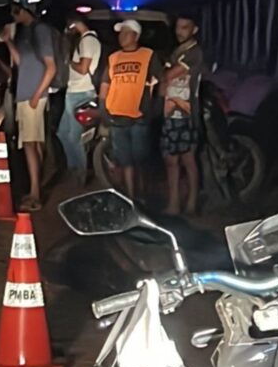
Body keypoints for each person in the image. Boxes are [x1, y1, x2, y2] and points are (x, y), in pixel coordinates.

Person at [3, 0, 57, 211]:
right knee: (31, 142)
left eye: (16, 10)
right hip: (25, 93)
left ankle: (35, 193)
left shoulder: (41, 31)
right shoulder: (25, 33)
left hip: (32, 96)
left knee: (29, 143)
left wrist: (36, 95)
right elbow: (20, 62)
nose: (13, 14)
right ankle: (36, 188)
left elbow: (51, 67)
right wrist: (8, 42)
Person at [101, 19, 161, 201]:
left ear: (136, 36)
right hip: (117, 116)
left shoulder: (148, 55)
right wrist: (103, 107)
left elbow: (161, 81)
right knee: (126, 161)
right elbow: (105, 83)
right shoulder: (113, 58)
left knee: (140, 160)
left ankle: (144, 196)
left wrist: (156, 106)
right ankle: (131, 198)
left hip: (139, 116)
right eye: (120, 33)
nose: (121, 37)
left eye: (126, 33)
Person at [158, 12, 207, 215]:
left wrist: (162, 78)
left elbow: (168, 76)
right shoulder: (179, 51)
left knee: (181, 160)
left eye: (185, 27)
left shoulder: (193, 52)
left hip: (183, 114)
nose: (180, 32)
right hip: (174, 113)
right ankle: (180, 204)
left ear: (194, 30)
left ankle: (183, 204)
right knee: (179, 161)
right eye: (178, 27)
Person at [60, 12, 101, 186]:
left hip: (81, 92)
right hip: (74, 91)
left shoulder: (88, 40)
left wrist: (69, 62)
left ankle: (80, 171)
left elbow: (84, 68)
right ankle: (74, 167)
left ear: (75, 23)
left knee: (74, 136)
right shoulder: (85, 40)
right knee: (63, 133)